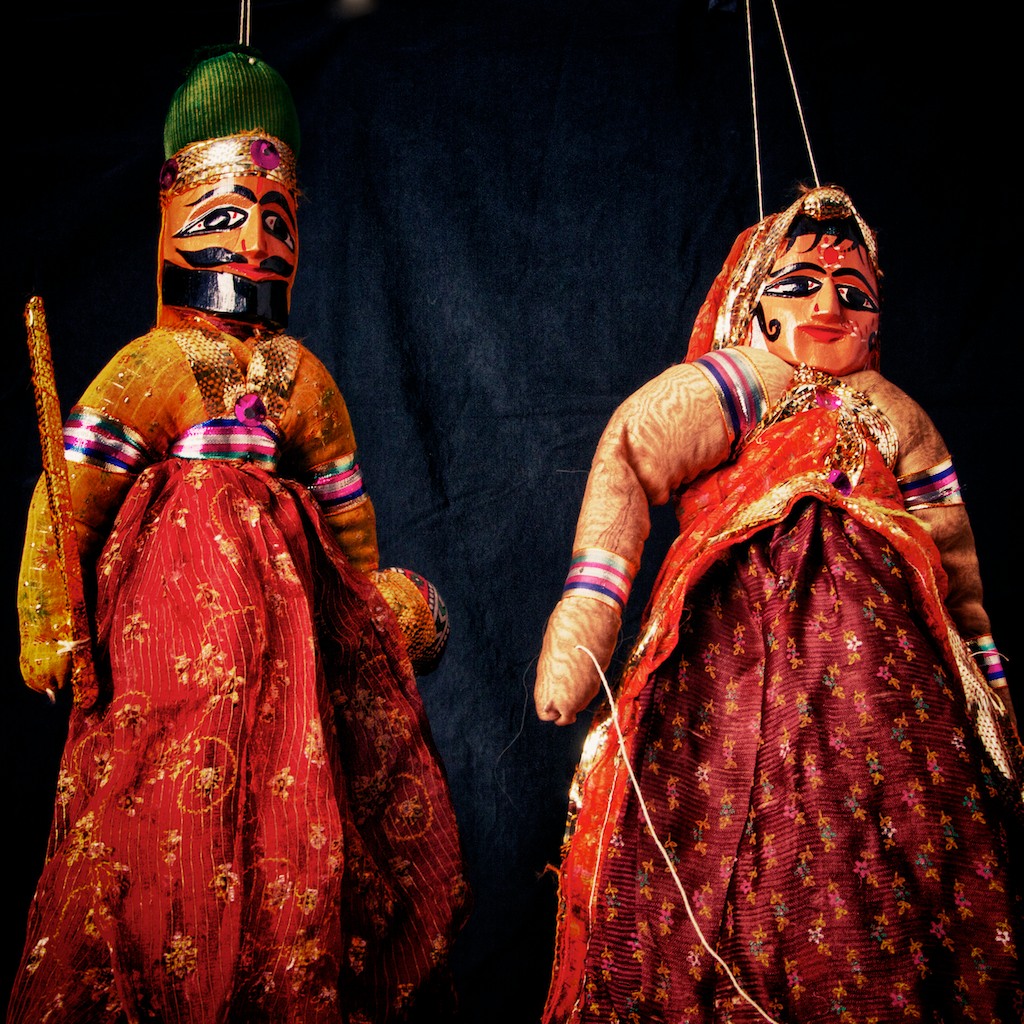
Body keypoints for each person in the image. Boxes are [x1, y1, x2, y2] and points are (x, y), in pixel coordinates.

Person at [9, 46, 466, 1024]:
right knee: (156, 832)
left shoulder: (303, 379)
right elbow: (72, 493)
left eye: (277, 219)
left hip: (295, 665)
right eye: (223, 217)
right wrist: (47, 621)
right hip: (168, 659)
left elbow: (346, 517)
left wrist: (375, 612)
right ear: (171, 221)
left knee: (297, 831)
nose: (255, 239)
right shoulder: (152, 364)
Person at [534, 185, 1023, 1022]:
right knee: (719, 842)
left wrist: (989, 691)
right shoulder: (743, 381)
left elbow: (956, 566)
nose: (828, 306)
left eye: (853, 293)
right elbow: (630, 451)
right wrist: (587, 617)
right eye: (800, 285)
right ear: (750, 303)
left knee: (899, 859)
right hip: (730, 661)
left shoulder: (895, 415)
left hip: (891, 690)